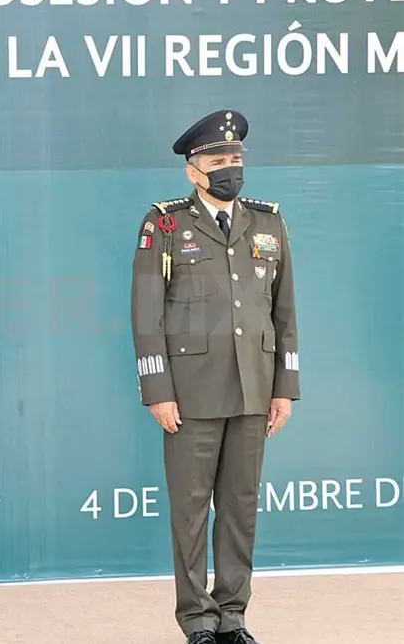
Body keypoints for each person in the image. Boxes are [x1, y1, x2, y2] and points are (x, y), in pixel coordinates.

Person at [130, 110, 300, 644]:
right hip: (190, 394)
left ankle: (233, 616)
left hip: (254, 388)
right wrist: (157, 390)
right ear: (193, 170)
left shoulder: (268, 222)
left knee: (241, 507)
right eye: (217, 160)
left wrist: (284, 387)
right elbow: (146, 314)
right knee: (189, 514)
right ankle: (198, 620)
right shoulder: (164, 224)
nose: (230, 168)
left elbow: (284, 312)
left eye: (235, 159)